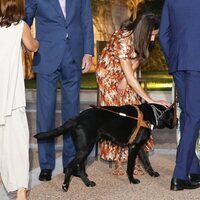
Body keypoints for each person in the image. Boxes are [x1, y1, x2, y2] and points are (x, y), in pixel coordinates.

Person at [25, 0, 94, 181]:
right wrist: (26, 42)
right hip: (46, 56)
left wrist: (88, 52)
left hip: (74, 56)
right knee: (45, 113)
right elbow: (26, 19)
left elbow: (86, 20)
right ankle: (46, 165)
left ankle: (71, 163)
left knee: (72, 114)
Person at [96, 12, 170, 176]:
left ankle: (134, 158)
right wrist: (150, 100)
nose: (152, 39)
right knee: (118, 114)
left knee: (135, 112)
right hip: (108, 74)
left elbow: (138, 59)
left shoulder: (143, 39)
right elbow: (131, 78)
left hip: (124, 74)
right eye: (152, 34)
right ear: (144, 30)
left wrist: (125, 78)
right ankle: (118, 161)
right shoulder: (123, 38)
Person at [159, 0, 200, 191]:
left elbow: (163, 36)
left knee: (187, 114)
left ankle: (193, 168)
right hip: (197, 64)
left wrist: (174, 58)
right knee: (194, 116)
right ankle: (179, 174)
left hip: (178, 63)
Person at [0, 0, 39, 199]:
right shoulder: (21, 27)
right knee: (18, 140)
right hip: (13, 95)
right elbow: (32, 46)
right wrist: (36, 40)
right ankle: (21, 191)